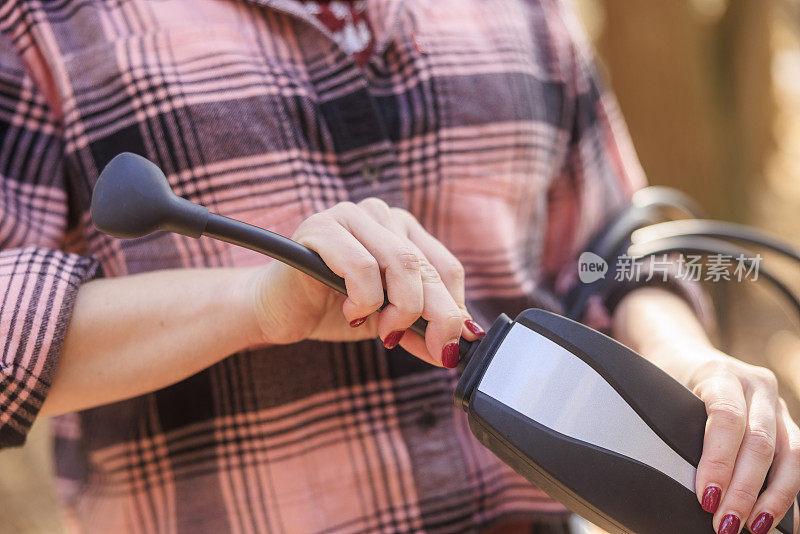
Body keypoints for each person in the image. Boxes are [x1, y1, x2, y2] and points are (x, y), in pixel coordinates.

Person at [0, 1, 797, 533]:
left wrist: (685, 359)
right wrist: (253, 303)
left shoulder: (526, 12)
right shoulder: (46, 24)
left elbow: (609, 248)